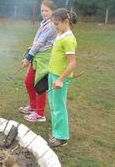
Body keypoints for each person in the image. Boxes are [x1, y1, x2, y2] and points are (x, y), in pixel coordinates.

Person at [19, 0, 57, 122]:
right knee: (29, 82)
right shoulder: (44, 22)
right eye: (42, 10)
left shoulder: (52, 25)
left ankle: (40, 114)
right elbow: (37, 41)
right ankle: (33, 106)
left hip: (45, 58)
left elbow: (40, 42)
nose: (44, 13)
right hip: (37, 57)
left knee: (39, 85)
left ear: (53, 11)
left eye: (47, 10)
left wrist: (28, 57)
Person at [47, 8, 77, 147]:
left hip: (60, 78)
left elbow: (72, 63)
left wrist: (60, 79)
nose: (55, 26)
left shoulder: (69, 39)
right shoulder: (60, 34)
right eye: (54, 23)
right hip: (53, 74)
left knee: (59, 106)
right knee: (53, 105)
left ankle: (61, 137)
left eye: (57, 23)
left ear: (66, 21)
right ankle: (56, 131)